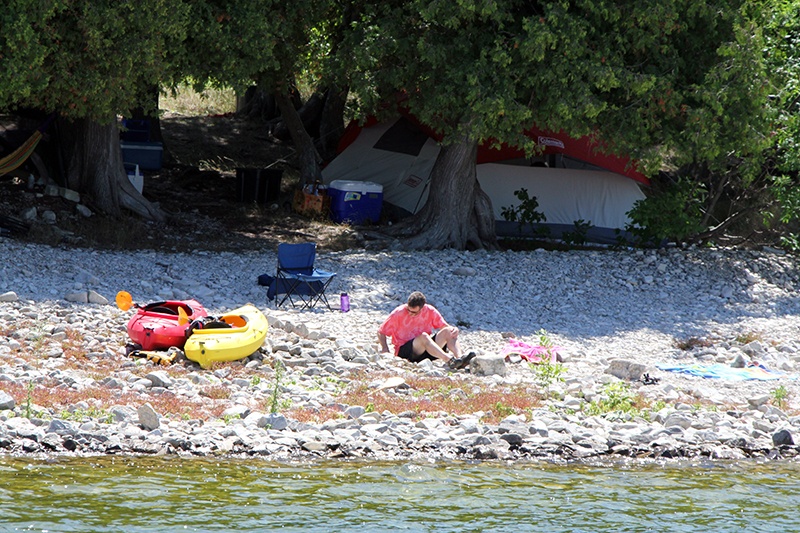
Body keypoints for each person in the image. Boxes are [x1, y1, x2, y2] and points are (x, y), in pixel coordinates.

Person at [378, 291, 476, 370]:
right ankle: (449, 360)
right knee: (424, 336)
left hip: (427, 350)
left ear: (422, 308)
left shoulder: (430, 310)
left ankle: (460, 358)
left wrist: (454, 329)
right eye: (409, 310)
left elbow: (444, 326)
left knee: (448, 331)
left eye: (414, 312)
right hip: (406, 351)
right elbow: (381, 331)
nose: (410, 314)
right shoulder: (398, 313)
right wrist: (385, 348)